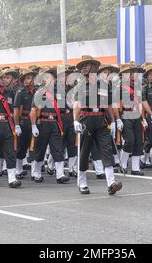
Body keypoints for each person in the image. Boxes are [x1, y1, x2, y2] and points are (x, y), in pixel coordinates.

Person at [73, 55, 122, 195]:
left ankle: (111, 183)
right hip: (86, 119)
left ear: (94, 67)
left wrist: (112, 121)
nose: (83, 68)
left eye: (86, 64)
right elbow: (77, 105)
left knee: (106, 150)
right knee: (84, 152)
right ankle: (82, 182)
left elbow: (108, 105)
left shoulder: (104, 85)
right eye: (82, 65)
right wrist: (75, 120)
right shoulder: (80, 85)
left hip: (100, 120)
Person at [30, 67, 69, 184]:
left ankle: (60, 174)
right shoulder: (39, 92)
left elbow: (63, 110)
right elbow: (33, 110)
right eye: (46, 77)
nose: (48, 80)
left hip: (55, 123)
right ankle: (36, 173)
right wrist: (33, 126)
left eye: (50, 77)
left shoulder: (59, 93)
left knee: (58, 148)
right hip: (42, 123)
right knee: (39, 149)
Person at [117, 63, 145, 176]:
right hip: (126, 115)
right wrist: (118, 119)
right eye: (129, 73)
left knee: (139, 141)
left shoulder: (137, 87)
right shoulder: (119, 88)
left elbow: (140, 103)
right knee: (129, 140)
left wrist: (143, 118)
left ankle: (135, 168)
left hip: (136, 116)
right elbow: (117, 105)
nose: (132, 75)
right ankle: (122, 164)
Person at [13, 68, 37, 179]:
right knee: (21, 147)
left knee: (34, 146)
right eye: (28, 77)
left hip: (34, 121)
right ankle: (18, 169)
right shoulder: (20, 92)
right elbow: (16, 110)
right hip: (23, 121)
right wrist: (17, 125)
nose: (30, 80)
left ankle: (34, 171)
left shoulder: (36, 91)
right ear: (23, 80)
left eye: (32, 77)